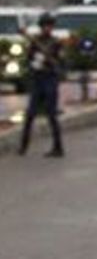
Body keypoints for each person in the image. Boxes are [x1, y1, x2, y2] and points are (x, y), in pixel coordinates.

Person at [18, 13, 64, 158]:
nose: (47, 29)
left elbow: (60, 61)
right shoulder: (35, 42)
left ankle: (58, 147)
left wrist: (52, 62)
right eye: (45, 26)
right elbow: (30, 60)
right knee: (30, 114)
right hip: (38, 79)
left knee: (51, 114)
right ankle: (23, 146)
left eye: (49, 26)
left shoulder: (56, 43)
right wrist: (36, 63)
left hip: (50, 79)